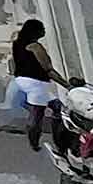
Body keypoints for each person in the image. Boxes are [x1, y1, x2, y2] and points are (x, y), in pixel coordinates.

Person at [6, 18, 67, 153]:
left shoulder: (17, 44)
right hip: (35, 83)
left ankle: (47, 140)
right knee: (38, 114)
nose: (44, 31)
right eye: (42, 29)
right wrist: (66, 85)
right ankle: (39, 142)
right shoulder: (35, 47)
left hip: (21, 81)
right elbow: (48, 69)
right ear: (35, 32)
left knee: (57, 107)